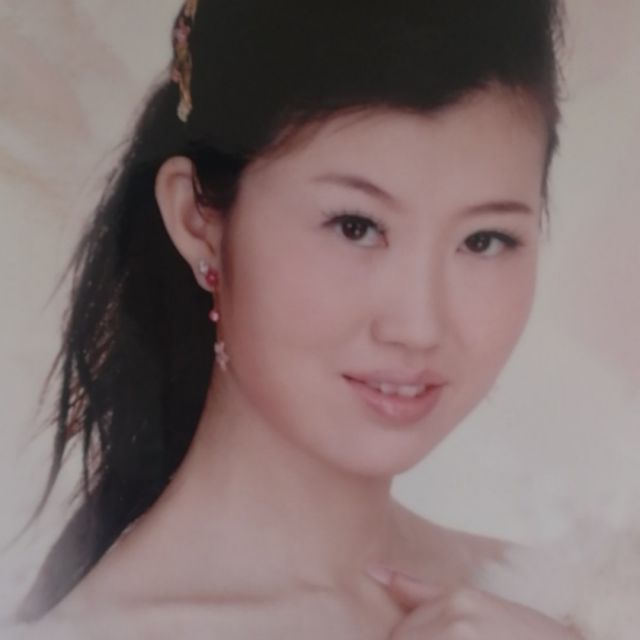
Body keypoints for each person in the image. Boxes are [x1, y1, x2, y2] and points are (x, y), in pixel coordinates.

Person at [12, 0, 583, 637]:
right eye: (356, 226)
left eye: (484, 240)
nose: (419, 327)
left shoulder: (569, 602)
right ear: (198, 221)